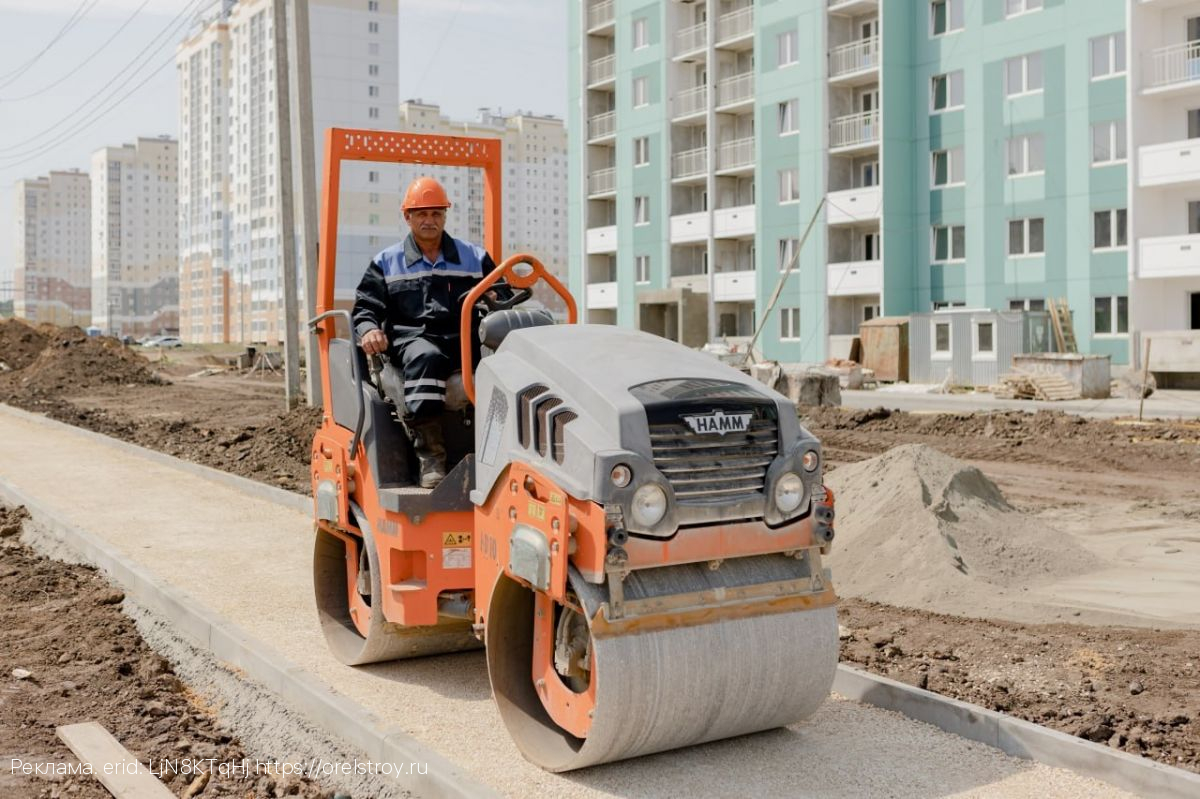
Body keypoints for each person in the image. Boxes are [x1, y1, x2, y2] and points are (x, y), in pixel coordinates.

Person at [352, 176, 502, 489]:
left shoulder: (475, 258)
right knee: (426, 357)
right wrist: (368, 330)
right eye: (421, 214)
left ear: (445, 215)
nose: (429, 220)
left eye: (436, 213)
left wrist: (499, 300)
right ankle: (431, 457)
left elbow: (502, 294)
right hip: (413, 343)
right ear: (407, 217)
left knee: (505, 362)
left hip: (463, 340)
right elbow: (366, 308)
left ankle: (501, 454)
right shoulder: (386, 263)